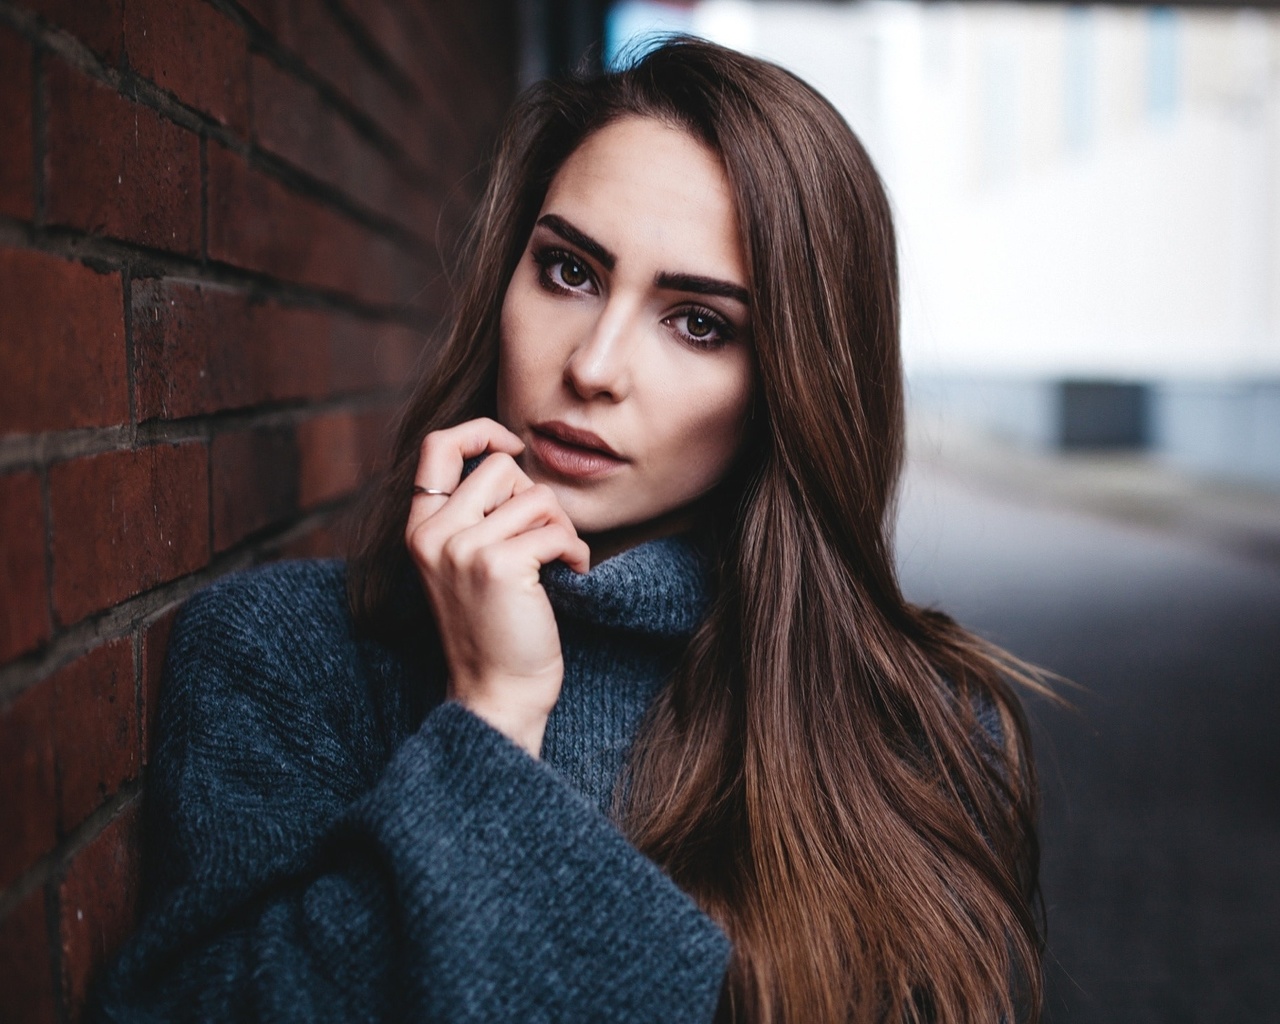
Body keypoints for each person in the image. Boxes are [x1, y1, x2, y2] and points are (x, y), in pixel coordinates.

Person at [89, 37, 1046, 1024]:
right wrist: (490, 724)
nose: (592, 365)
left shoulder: (912, 722)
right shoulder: (284, 654)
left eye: (698, 323)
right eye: (568, 270)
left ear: (788, 386)